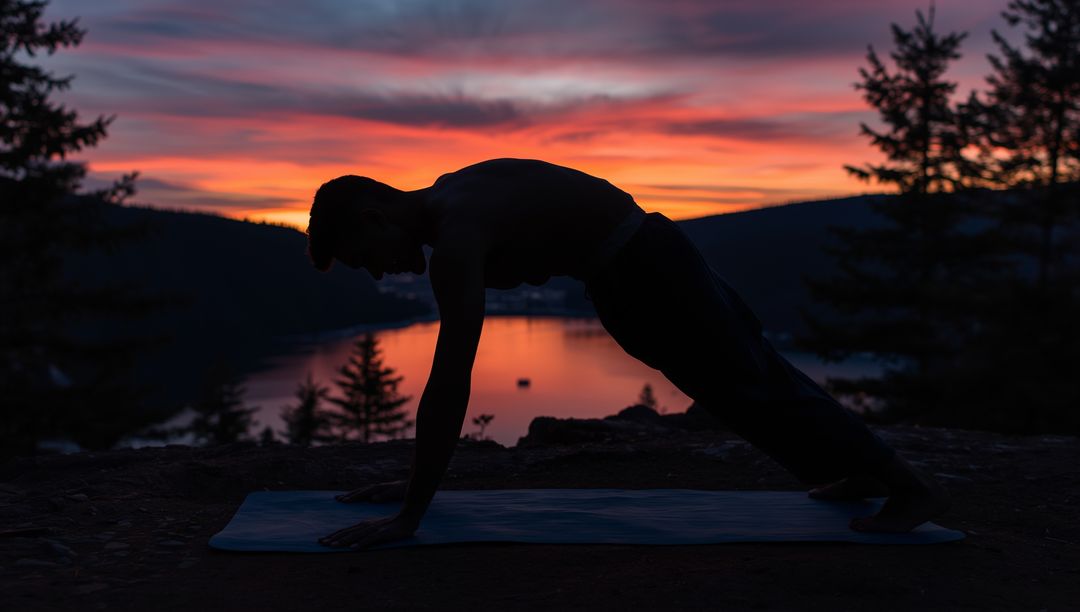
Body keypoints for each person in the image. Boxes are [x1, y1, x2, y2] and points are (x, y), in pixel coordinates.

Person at [306, 158, 950, 549]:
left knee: (752, 380)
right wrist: (421, 482)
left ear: (374, 216)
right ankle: (862, 473)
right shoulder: (454, 191)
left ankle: (909, 489)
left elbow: (451, 378)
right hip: (633, 267)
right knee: (736, 384)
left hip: (648, 268)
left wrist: (413, 510)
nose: (380, 275)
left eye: (366, 259)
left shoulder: (457, 238)